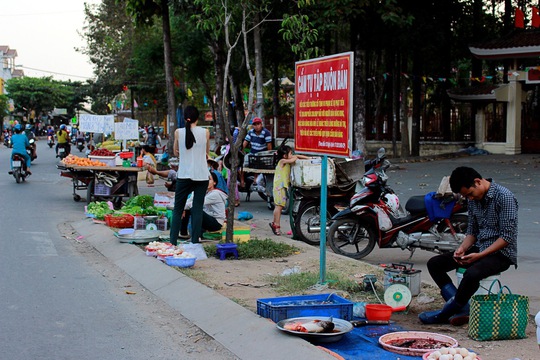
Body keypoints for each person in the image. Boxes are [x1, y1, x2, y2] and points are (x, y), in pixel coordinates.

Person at [419, 166, 518, 326]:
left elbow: (507, 237)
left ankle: (446, 313)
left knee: (472, 274)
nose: (470, 199)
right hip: (479, 247)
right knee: (435, 264)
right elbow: (472, 232)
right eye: (466, 196)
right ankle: (462, 306)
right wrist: (462, 249)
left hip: (502, 253)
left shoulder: (504, 197)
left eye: (470, 194)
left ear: (478, 182)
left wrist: (480, 256)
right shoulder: (473, 201)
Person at [169, 106, 210, 245]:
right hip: (202, 175)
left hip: (184, 175)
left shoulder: (178, 132)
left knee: (178, 209)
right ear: (198, 118)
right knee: (197, 209)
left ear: (185, 117)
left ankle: (172, 242)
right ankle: (195, 242)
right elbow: (207, 152)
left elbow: (175, 151)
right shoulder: (206, 132)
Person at [269, 145, 310, 236]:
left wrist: (309, 158)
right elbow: (293, 159)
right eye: (291, 153)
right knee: (279, 207)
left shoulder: (287, 161)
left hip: (282, 187)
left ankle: (274, 223)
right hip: (279, 187)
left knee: (279, 206)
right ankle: (277, 225)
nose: (292, 155)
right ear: (284, 155)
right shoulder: (282, 161)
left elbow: (296, 157)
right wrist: (296, 157)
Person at [178, 171, 228, 239]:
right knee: (188, 209)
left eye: (209, 180)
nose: (207, 182)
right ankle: (183, 233)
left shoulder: (215, 194)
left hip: (216, 222)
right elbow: (189, 202)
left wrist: (183, 207)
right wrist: (184, 208)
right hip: (207, 218)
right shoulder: (204, 192)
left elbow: (196, 203)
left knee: (194, 209)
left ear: (214, 182)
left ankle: (198, 236)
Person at [240, 117, 272, 188]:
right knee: (242, 163)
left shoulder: (266, 133)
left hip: (262, 154)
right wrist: (240, 150)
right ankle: (242, 180)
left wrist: (269, 154)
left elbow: (269, 145)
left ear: (261, 124)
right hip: (252, 153)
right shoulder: (251, 132)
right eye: (255, 124)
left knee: (258, 163)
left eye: (258, 124)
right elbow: (245, 142)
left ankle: (255, 178)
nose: (256, 126)